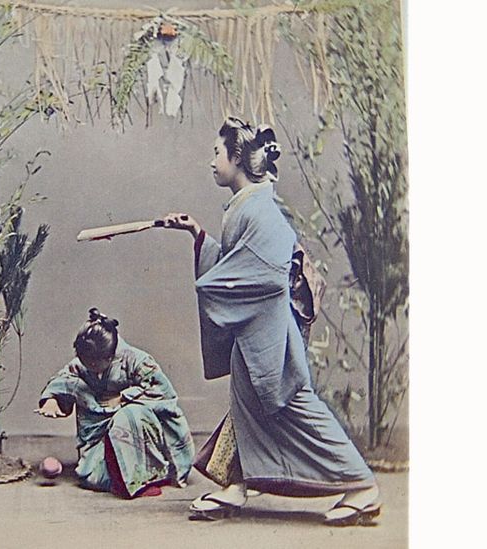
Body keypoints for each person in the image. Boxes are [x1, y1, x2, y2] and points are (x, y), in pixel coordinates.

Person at [160, 117, 380, 527]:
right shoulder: (246, 205)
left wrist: (213, 286)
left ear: (236, 157)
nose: (211, 161)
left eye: (216, 153)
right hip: (254, 328)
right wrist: (198, 235)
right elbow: (236, 262)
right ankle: (236, 485)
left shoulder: (262, 211)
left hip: (270, 335)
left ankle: (361, 485)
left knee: (296, 407)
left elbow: (265, 272)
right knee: (247, 408)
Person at [36, 308, 195, 499]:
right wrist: (52, 400)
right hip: (100, 434)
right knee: (95, 477)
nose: (88, 367)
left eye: (93, 364)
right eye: (84, 362)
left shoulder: (137, 360)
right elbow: (65, 378)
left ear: (109, 357)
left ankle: (141, 479)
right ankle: (117, 478)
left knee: (128, 415)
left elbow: (163, 392)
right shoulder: (84, 362)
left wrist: (123, 397)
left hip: (141, 432)